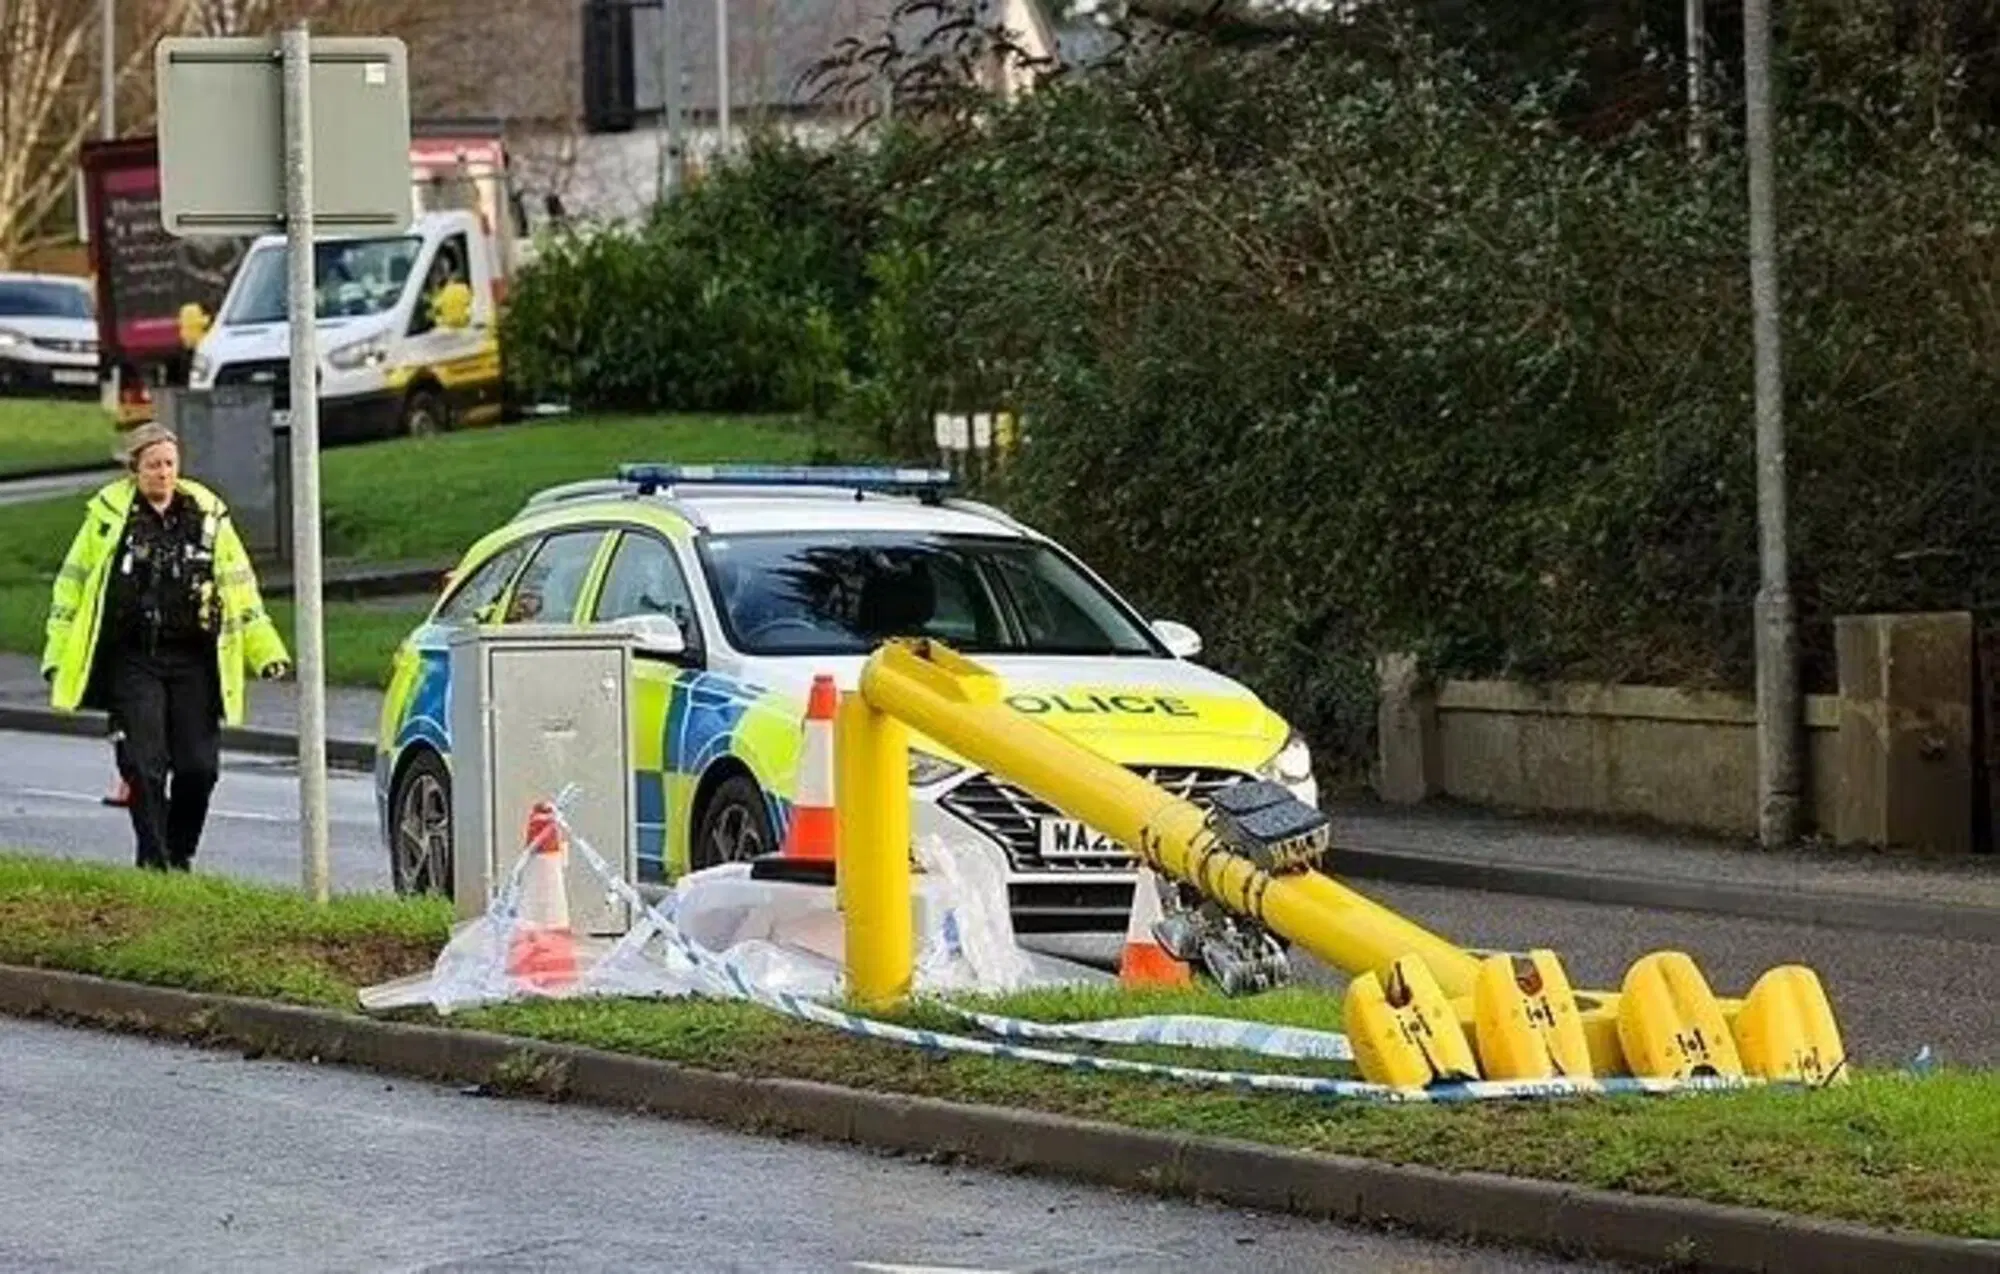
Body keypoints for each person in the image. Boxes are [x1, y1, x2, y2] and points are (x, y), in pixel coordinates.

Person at [41, 423, 291, 871]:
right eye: (153, 465)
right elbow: (71, 588)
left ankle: (180, 852)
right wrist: (56, 657)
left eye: (169, 464)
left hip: (193, 658)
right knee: (144, 764)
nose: (163, 473)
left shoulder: (208, 515)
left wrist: (266, 651)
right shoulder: (106, 519)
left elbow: (241, 589)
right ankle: (155, 863)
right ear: (134, 469)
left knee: (199, 769)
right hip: (134, 659)